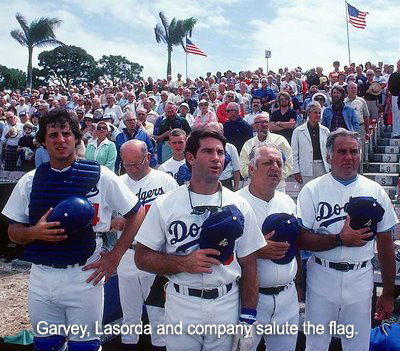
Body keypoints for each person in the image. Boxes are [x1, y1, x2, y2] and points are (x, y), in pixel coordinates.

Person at [1, 109, 145, 351]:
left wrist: (116, 256)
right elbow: (13, 231)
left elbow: (136, 212)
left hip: (84, 275)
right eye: (53, 135)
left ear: (76, 138)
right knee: (46, 345)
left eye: (66, 133)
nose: (60, 140)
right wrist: (33, 233)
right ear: (43, 141)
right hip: (42, 277)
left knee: (84, 347)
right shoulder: (30, 180)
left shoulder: (101, 176)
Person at [134, 128, 266, 351]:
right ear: (190, 157)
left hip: (226, 299)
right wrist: (183, 263)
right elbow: (142, 258)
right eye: (207, 151)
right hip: (182, 299)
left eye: (220, 152)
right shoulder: (166, 204)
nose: (216, 158)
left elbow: (250, 263)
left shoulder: (240, 205)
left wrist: (248, 317)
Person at [296, 128, 398, 351]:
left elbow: (386, 244)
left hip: (360, 276)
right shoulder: (312, 189)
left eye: (354, 151)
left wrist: (388, 292)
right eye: (342, 151)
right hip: (322, 275)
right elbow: (301, 239)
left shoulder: (375, 190)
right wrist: (340, 240)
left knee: (358, 344)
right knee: (316, 343)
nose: (349, 157)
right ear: (329, 157)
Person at [116, 140, 178, 351]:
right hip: (127, 252)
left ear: (148, 158)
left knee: (158, 315)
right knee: (129, 315)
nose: (132, 170)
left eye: (137, 164)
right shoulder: (118, 183)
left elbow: (177, 217)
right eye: (127, 165)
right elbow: (104, 218)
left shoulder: (166, 181)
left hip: (156, 254)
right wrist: (114, 223)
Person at [238, 144, 300, 351]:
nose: (275, 167)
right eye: (267, 163)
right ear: (252, 168)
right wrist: (256, 250)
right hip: (249, 300)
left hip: (287, 298)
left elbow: (296, 248)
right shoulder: (235, 203)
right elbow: (222, 253)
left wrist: (299, 286)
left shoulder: (288, 202)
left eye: (278, 163)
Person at [240, 113, 293, 192]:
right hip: (255, 188)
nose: (264, 124)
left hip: (277, 187)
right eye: (260, 122)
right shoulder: (248, 145)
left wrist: (275, 176)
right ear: (254, 126)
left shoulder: (280, 141)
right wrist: (259, 177)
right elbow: (243, 168)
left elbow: (289, 164)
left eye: (266, 122)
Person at [291, 101, 330, 189]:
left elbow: (329, 151)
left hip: (322, 167)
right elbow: (294, 152)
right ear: (309, 113)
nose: (318, 115)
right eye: (315, 112)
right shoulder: (298, 131)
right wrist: (295, 171)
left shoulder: (326, 131)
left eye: (319, 113)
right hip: (305, 167)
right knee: (306, 193)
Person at [388, 59, 400, 138]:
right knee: (396, 115)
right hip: (396, 97)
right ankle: (396, 133)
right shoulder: (393, 75)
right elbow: (390, 86)